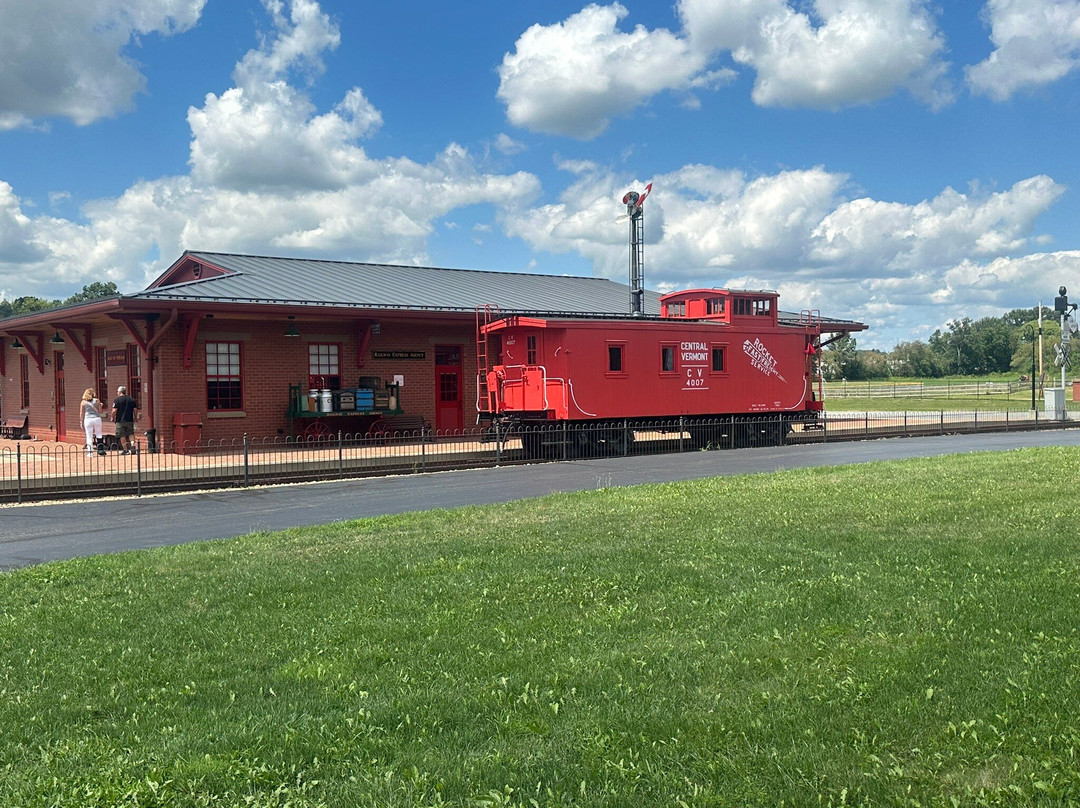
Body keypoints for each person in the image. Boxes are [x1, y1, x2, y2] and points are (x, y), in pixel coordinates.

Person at [111, 385, 139, 455]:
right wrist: (135, 417)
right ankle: (133, 445)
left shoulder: (117, 400)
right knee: (131, 433)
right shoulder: (131, 400)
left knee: (122, 435)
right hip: (129, 419)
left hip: (120, 421)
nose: (117, 393)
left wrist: (112, 417)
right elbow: (135, 410)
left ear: (120, 392)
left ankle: (125, 450)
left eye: (117, 391)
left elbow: (114, 410)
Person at [79, 388, 105, 457]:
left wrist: (81, 421)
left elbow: (81, 413)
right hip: (97, 418)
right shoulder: (97, 400)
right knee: (99, 434)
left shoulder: (83, 402)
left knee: (89, 435)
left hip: (88, 419)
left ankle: (90, 452)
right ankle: (100, 450)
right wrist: (100, 406)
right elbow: (101, 411)